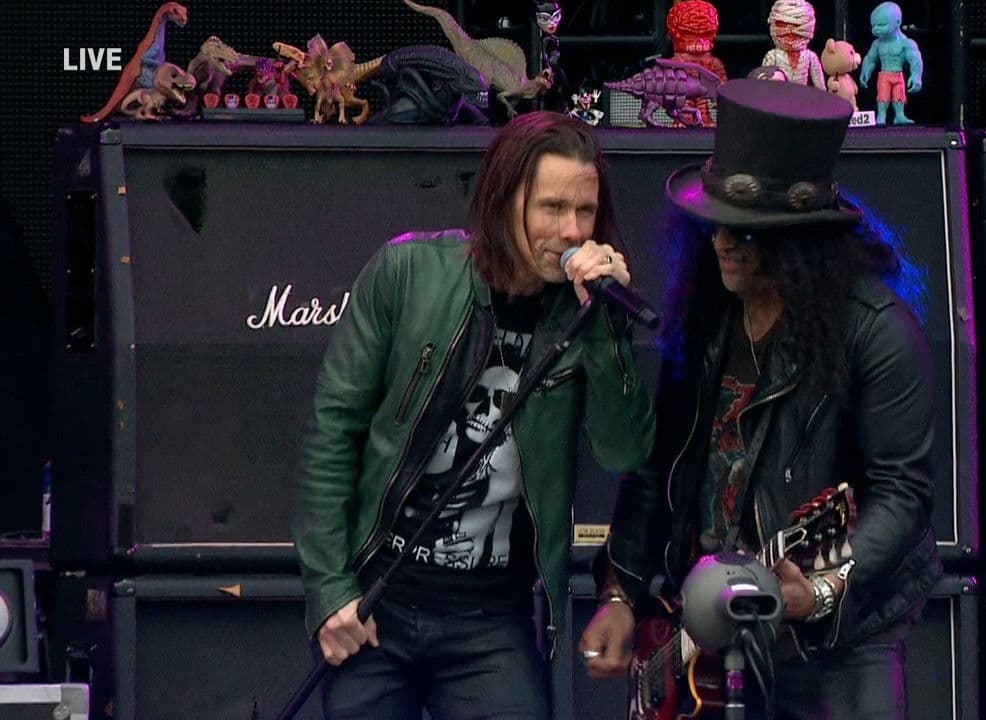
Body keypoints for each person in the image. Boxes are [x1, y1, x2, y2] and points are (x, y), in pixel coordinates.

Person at [580, 79, 941, 720]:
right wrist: (621, 594)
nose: (722, 242)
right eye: (717, 224)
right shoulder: (707, 319)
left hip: (839, 641)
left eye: (746, 233)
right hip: (713, 625)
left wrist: (824, 588)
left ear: (800, 242)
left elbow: (902, 493)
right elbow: (658, 469)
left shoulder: (877, 331)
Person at [292, 111, 655, 719]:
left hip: (491, 617)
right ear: (502, 201)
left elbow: (625, 451)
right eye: (551, 208)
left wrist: (607, 329)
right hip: (379, 600)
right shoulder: (408, 272)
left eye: (585, 211)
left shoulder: (583, 317)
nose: (571, 231)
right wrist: (330, 591)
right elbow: (333, 433)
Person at [858, 1, 923, 125]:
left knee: (899, 95)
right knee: (883, 96)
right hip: (884, 75)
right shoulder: (877, 44)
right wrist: (865, 71)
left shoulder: (906, 43)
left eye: (881, 25)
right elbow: (870, 58)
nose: (876, 29)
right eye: (873, 26)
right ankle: (881, 116)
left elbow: (915, 59)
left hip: (898, 75)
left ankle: (899, 115)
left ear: (897, 22)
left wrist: (916, 76)